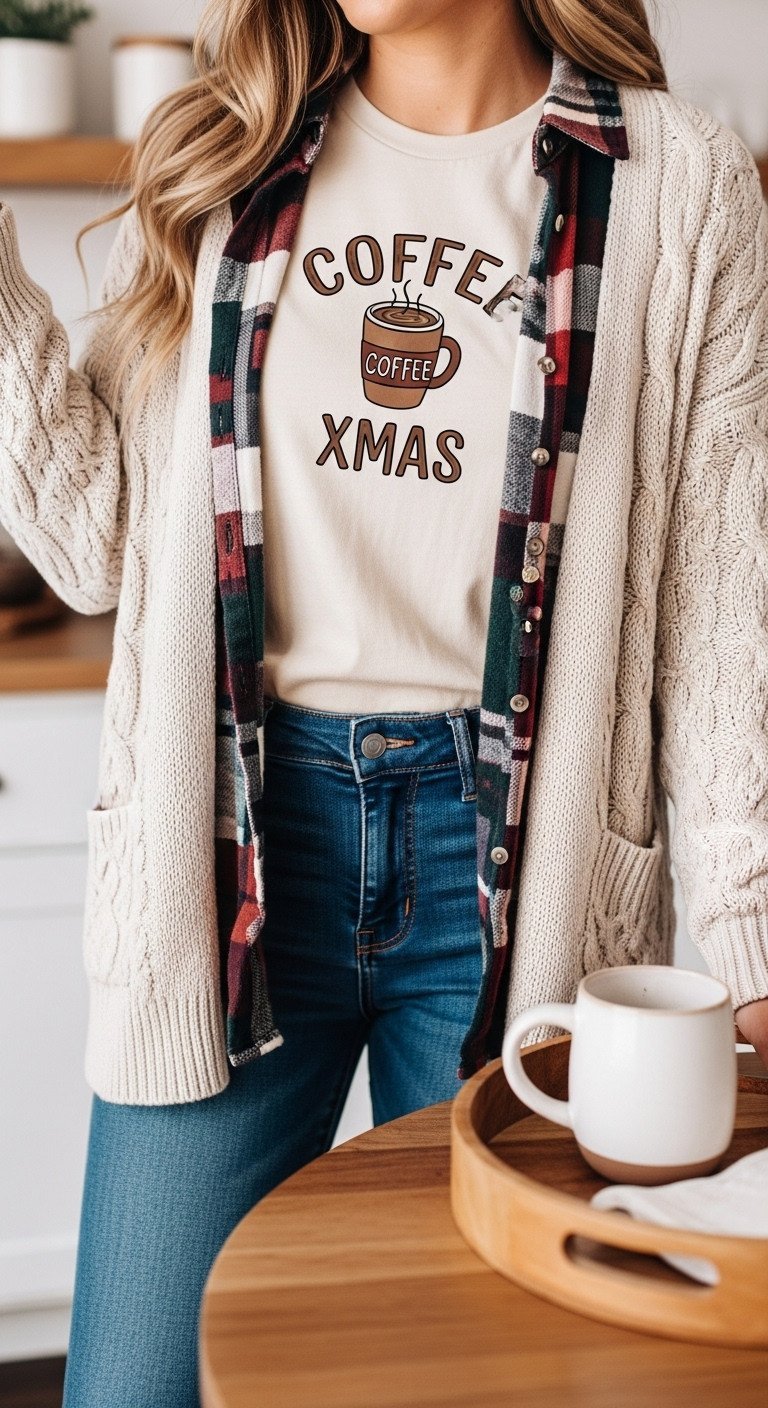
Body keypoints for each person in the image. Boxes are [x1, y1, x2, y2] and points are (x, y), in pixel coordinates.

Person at [0, 1, 765, 1403]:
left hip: (517, 876)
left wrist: (756, 931)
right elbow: (91, 541)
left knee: (491, 1380)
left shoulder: (678, 182)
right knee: (132, 1386)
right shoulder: (235, 155)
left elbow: (723, 604)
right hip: (233, 855)